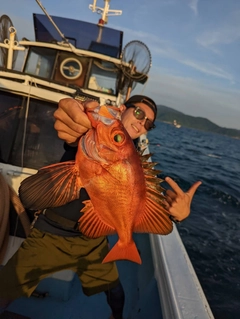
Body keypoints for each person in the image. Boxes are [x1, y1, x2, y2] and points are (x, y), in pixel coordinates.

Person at [0, 95, 201, 319]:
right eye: (138, 114)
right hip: (51, 235)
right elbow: (77, 124)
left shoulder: (135, 158)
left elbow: (143, 207)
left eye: (148, 124)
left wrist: (178, 215)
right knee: (7, 287)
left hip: (93, 243)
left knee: (116, 293)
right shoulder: (92, 134)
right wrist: (80, 111)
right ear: (123, 108)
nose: (141, 123)